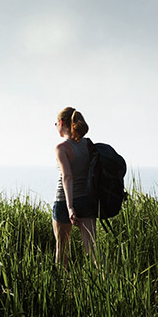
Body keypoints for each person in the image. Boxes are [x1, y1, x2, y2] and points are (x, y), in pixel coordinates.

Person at [53, 107, 99, 266]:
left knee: (62, 248)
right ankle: (107, 283)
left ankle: (61, 287)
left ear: (61, 122)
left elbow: (67, 176)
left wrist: (70, 206)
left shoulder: (62, 148)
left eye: (56, 123)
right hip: (86, 200)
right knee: (93, 249)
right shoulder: (87, 145)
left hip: (64, 202)